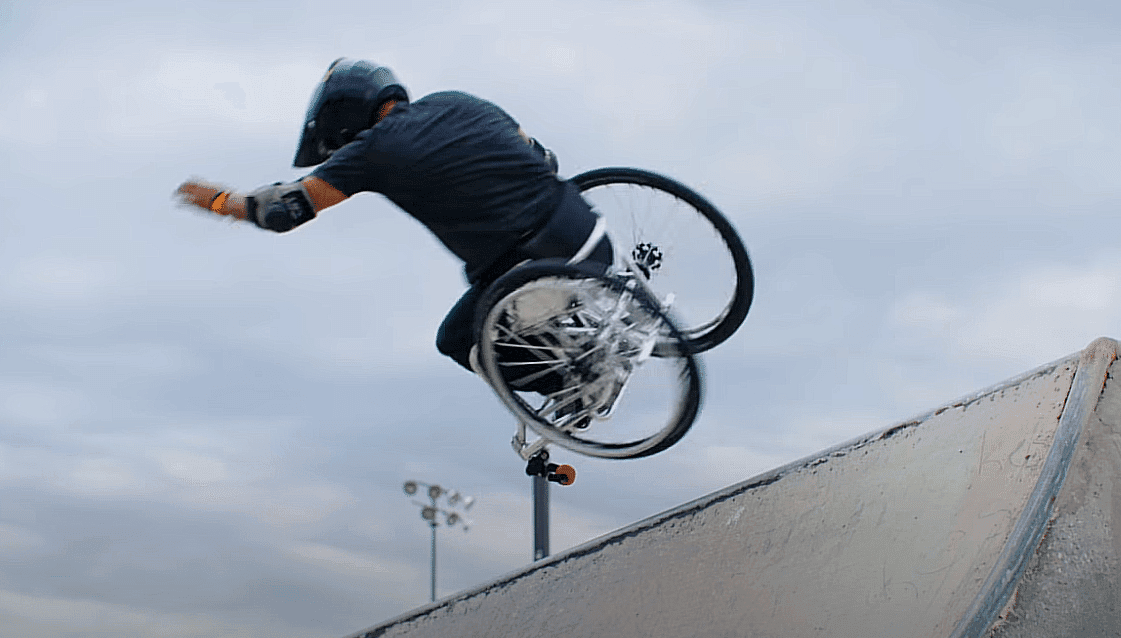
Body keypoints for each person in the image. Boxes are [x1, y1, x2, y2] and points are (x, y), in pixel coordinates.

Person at [176, 57, 613, 385]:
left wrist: (216, 201)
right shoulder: (457, 100)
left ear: (344, 121)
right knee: (513, 289)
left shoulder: (370, 151)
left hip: (529, 268)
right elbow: (541, 156)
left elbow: (281, 210)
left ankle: (577, 382)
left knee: (458, 339)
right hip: (589, 234)